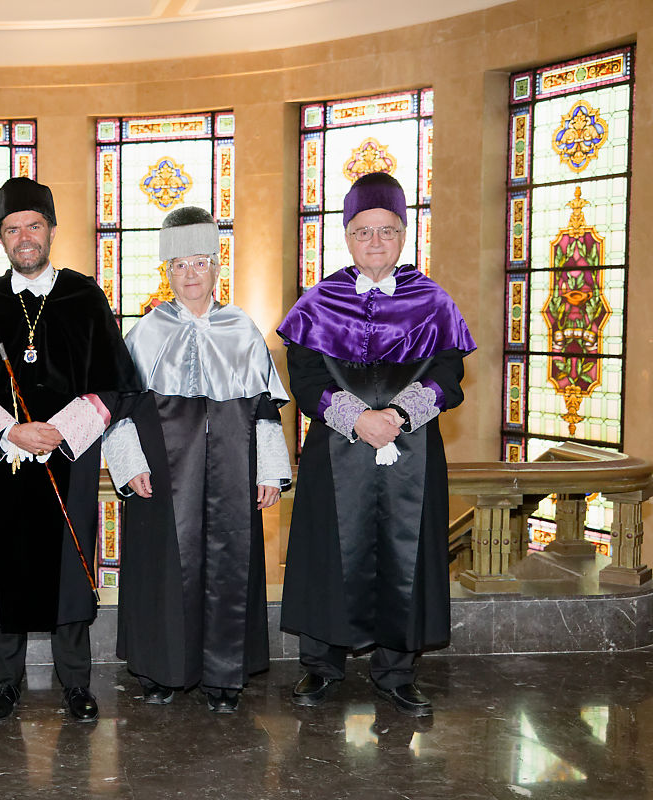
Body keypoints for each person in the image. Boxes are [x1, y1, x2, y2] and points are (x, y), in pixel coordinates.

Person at [0, 177, 140, 723]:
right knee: (6, 572)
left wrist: (60, 430)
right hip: (3, 464)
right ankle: (6, 685)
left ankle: (76, 684)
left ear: (50, 230)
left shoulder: (84, 295)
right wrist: (10, 433)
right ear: (0, 239)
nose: (23, 237)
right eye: (11, 229)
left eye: (33, 226)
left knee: (70, 571)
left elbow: (115, 386)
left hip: (69, 460)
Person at [276, 172, 476, 717]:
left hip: (412, 453)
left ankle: (397, 672)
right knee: (326, 554)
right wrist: (357, 419)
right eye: (364, 232)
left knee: (403, 558)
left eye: (387, 231)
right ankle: (320, 667)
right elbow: (307, 379)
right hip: (336, 452)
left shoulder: (433, 301)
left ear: (405, 234)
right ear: (347, 236)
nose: (376, 243)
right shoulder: (318, 302)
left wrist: (397, 416)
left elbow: (449, 376)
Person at [102, 207, 292, 713]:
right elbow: (119, 411)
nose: (191, 275)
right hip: (161, 478)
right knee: (162, 569)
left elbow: (266, 409)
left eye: (200, 264)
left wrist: (270, 470)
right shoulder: (145, 332)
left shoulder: (242, 329)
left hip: (232, 474)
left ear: (216, 267)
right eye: (180, 265)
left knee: (231, 569)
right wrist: (129, 466)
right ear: (167, 273)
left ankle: (224, 679)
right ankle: (161, 671)